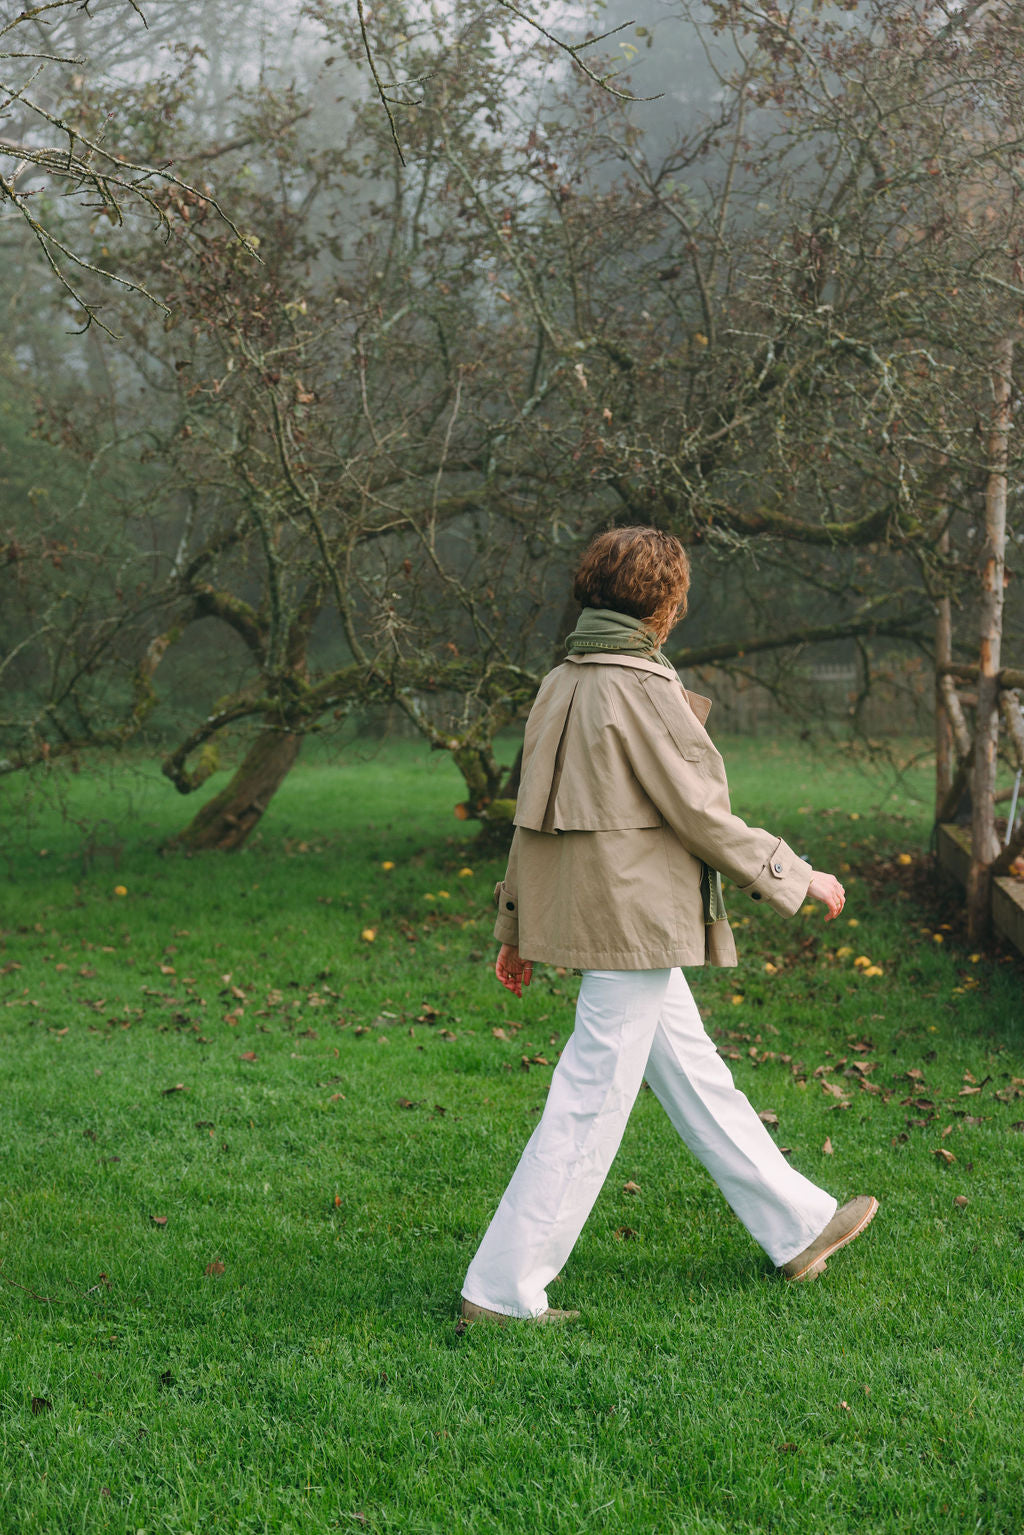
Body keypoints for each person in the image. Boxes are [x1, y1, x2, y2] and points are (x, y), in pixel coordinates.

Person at [460, 526, 877, 1325]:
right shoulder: (641, 686)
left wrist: (513, 925)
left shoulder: (559, 681)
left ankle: (797, 1223)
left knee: (694, 1074)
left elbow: (527, 821)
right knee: (589, 1099)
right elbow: (700, 813)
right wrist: (796, 874)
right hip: (633, 922)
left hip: (612, 920)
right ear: (665, 606)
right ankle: (502, 1290)